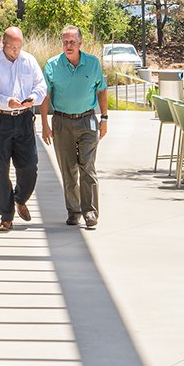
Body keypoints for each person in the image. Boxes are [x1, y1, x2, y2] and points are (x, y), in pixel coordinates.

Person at [0, 23, 46, 230]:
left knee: (29, 166)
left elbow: (41, 86)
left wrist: (34, 98)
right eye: (12, 47)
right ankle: (6, 215)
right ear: (3, 43)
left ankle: (20, 197)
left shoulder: (29, 61)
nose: (16, 51)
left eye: (19, 46)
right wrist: (6, 101)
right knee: (0, 169)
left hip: (24, 118)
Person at [40, 23, 109, 229]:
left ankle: (90, 212)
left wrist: (104, 118)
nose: (68, 45)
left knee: (87, 165)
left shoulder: (93, 63)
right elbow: (45, 96)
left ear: (81, 43)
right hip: (61, 122)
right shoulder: (52, 65)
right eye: (65, 42)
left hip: (87, 120)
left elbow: (102, 91)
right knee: (68, 169)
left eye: (72, 42)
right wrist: (44, 123)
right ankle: (73, 210)